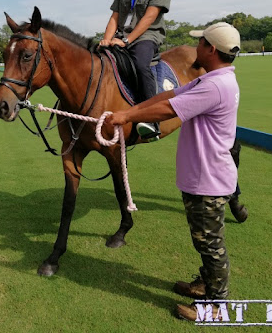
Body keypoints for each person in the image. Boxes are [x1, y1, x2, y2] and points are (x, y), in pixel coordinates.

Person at [105, 22, 241, 321]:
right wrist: (136, 107)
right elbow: (167, 97)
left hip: (210, 179)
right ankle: (205, 283)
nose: (196, 48)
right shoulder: (213, 79)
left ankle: (217, 306)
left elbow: (170, 111)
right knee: (202, 240)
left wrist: (126, 115)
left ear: (211, 50)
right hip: (202, 176)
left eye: (201, 43)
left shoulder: (216, 86)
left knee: (211, 244)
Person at [99, 0, 172, 141]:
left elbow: (150, 17)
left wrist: (127, 41)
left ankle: (151, 120)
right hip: (121, 36)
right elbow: (115, 17)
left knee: (141, 64)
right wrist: (106, 39)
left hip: (147, 36)